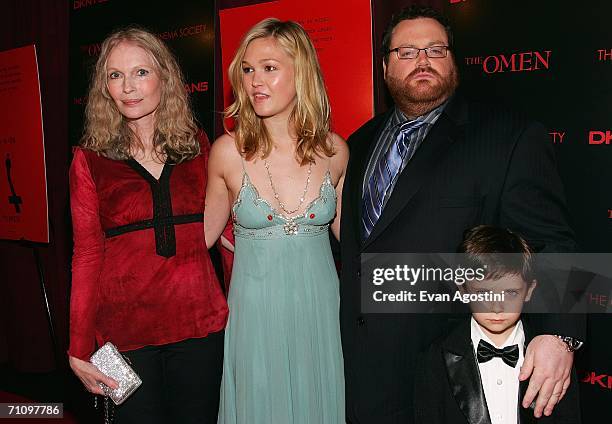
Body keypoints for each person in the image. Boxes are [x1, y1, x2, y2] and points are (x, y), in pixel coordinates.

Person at [339, 5, 584, 423]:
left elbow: (552, 242)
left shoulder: (509, 136)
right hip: (358, 370)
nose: (422, 60)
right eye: (406, 51)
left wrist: (560, 334)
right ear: (384, 67)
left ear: (453, 59)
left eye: (435, 49)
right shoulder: (358, 143)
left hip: (445, 378)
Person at [67, 27, 228, 423]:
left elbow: (226, 233)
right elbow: (86, 255)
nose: (127, 87)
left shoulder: (198, 146)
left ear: (165, 77)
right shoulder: (90, 160)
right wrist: (77, 346)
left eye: (140, 72)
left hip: (200, 329)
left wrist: (239, 310)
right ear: (104, 87)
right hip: (124, 337)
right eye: (115, 75)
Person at [204, 18, 348, 424]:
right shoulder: (227, 152)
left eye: (269, 68)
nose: (254, 81)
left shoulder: (336, 151)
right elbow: (197, 240)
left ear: (301, 72)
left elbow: (355, 244)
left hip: (320, 314)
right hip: (255, 316)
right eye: (247, 70)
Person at [414, 225, 581, 424]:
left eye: (510, 293)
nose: (496, 307)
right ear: (464, 290)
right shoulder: (435, 358)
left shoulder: (554, 360)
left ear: (529, 290)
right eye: (483, 294)